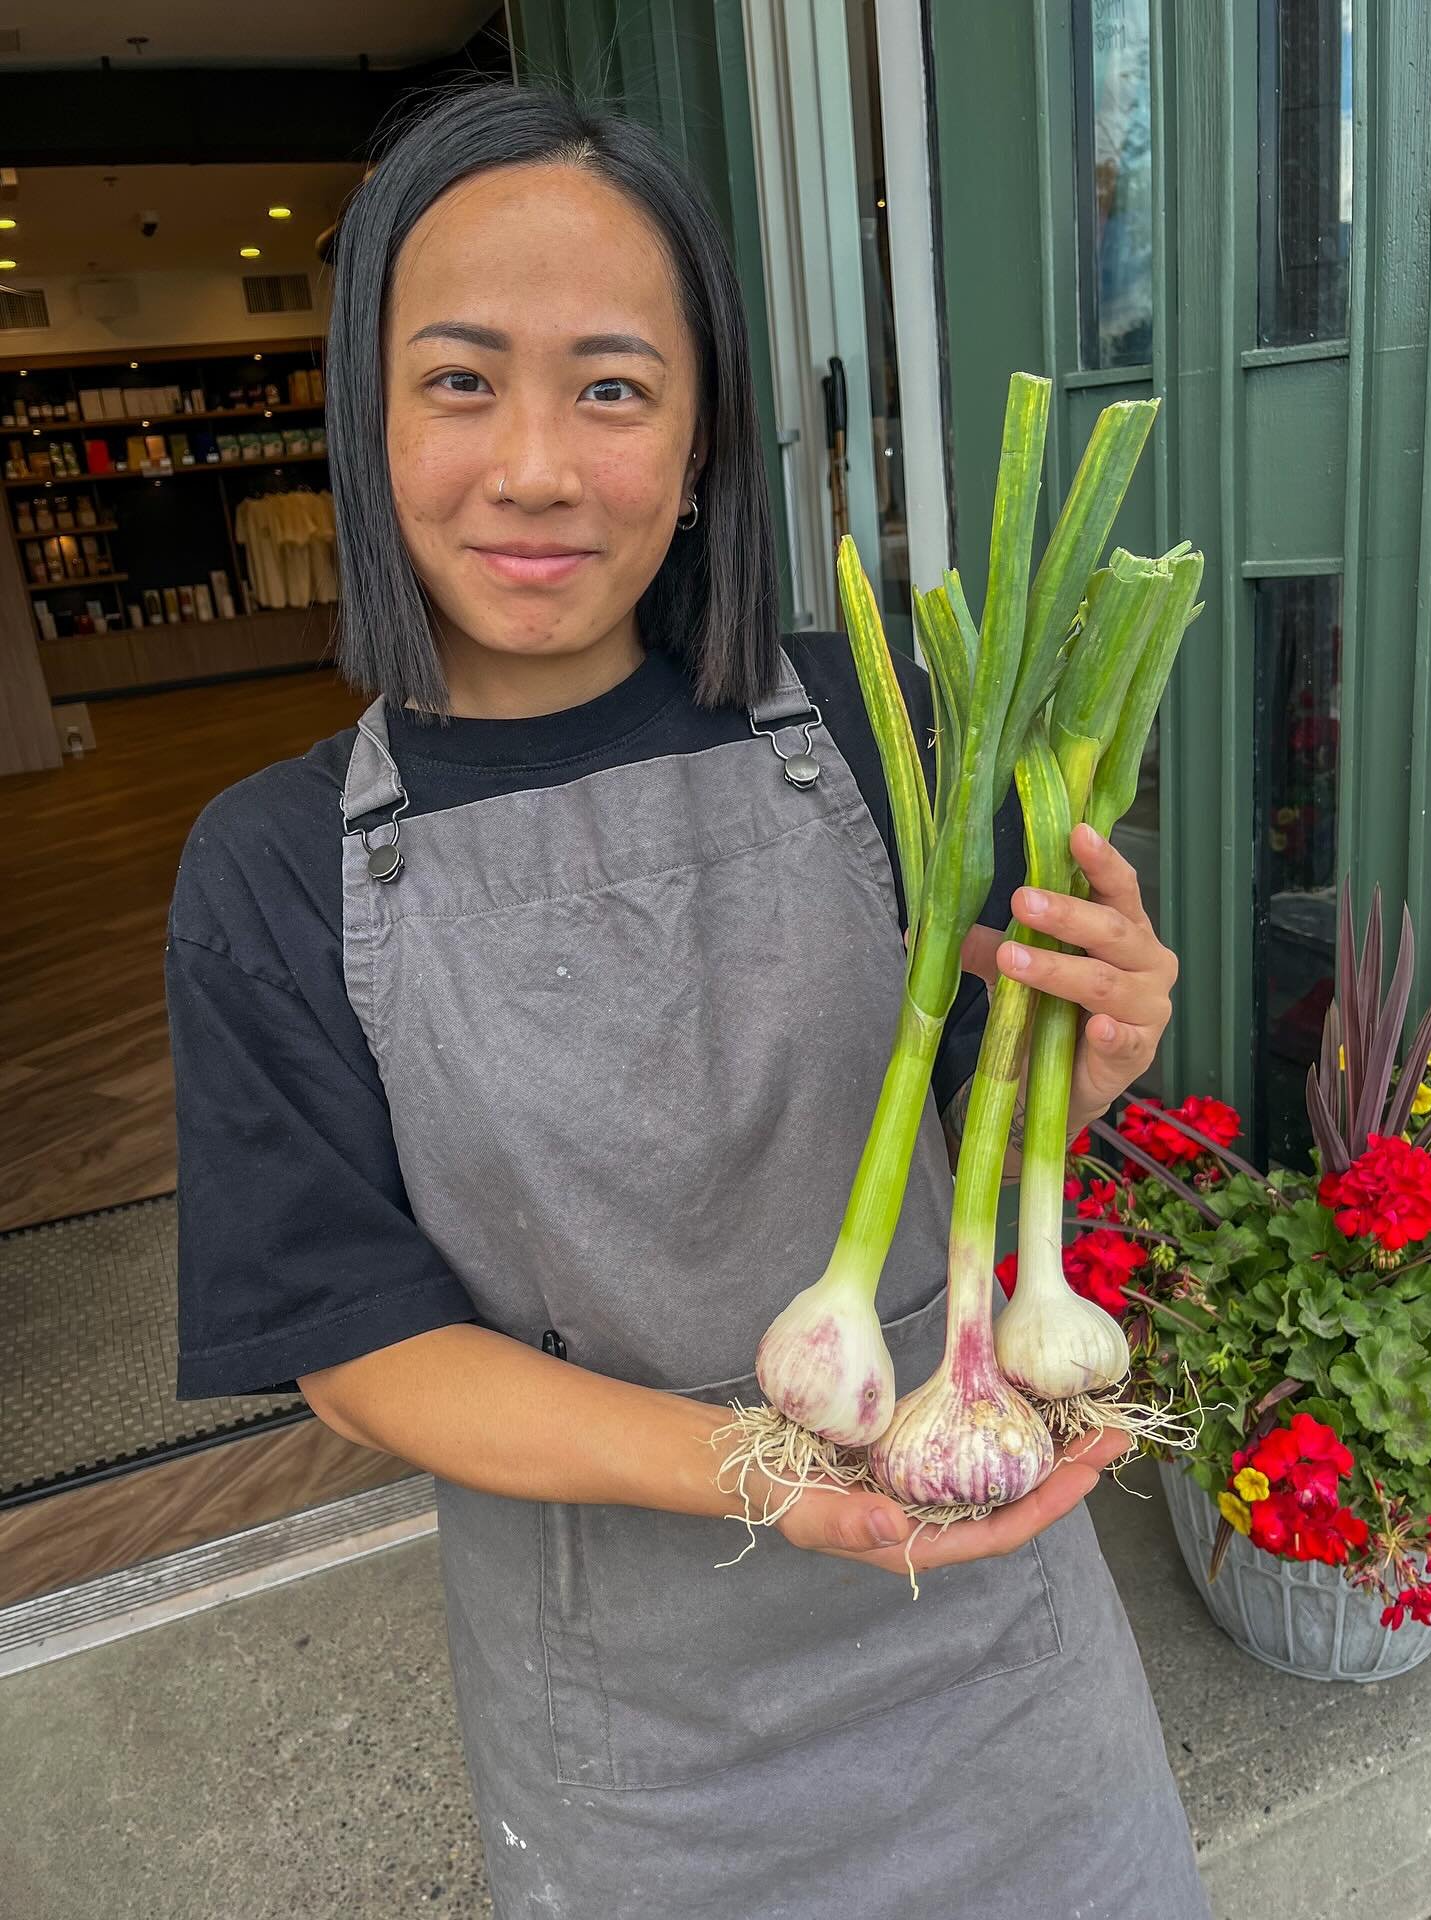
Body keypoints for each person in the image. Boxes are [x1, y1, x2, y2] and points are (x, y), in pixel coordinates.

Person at [168, 81, 1209, 1920]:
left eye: (615, 387)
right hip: (641, 1743)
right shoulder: (273, 866)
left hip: (999, 1657)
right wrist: (764, 1470)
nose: (541, 467)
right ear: (368, 414)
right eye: (463, 379)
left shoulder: (898, 729)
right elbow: (347, 1330)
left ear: (706, 427)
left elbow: (986, 1118)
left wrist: (1091, 1044)